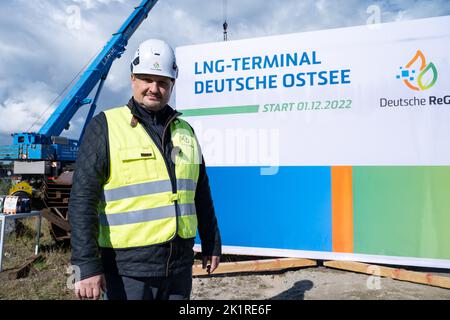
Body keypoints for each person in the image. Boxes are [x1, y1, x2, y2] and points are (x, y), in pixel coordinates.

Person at [68, 39, 221, 300]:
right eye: (146, 79)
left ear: (172, 85)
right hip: (127, 272)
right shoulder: (105, 127)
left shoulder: (185, 132)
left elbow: (200, 193)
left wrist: (211, 242)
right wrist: (85, 263)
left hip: (179, 268)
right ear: (132, 79)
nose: (154, 88)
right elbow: (82, 201)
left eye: (162, 81)